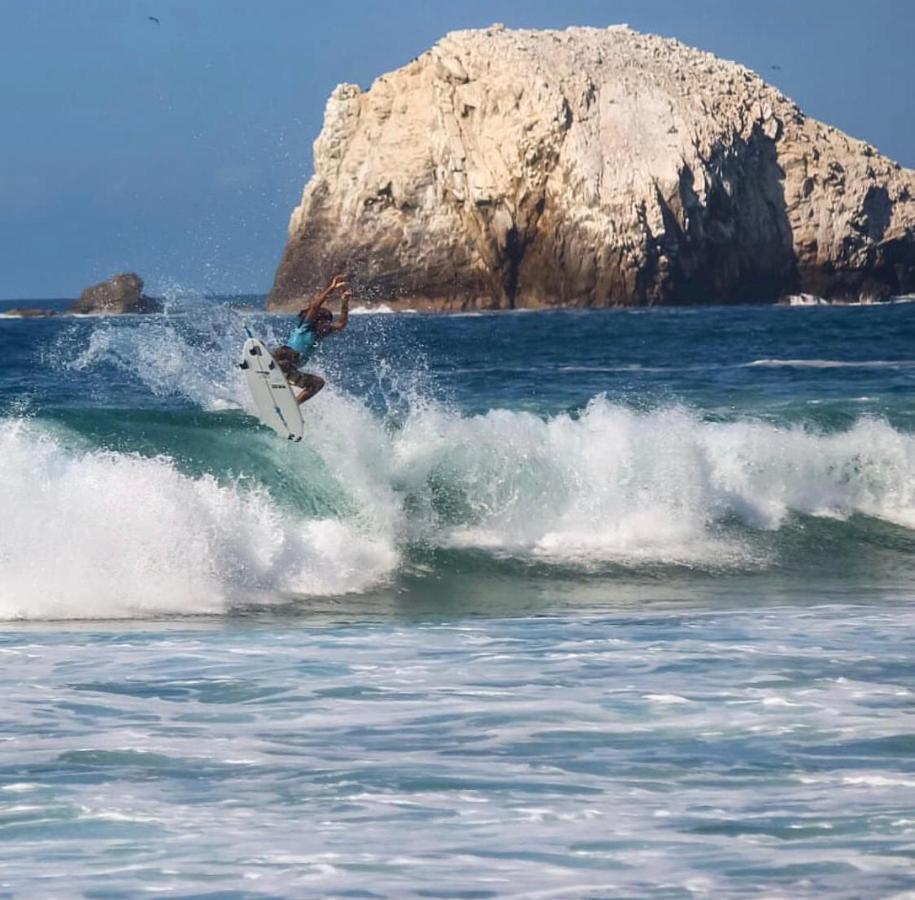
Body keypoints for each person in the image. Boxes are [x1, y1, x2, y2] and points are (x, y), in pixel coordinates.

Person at [272, 274, 351, 405]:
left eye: (328, 322)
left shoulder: (322, 334)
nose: (327, 325)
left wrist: (345, 302)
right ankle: (267, 364)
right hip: (280, 360)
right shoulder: (306, 327)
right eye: (324, 322)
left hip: (290, 369)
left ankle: (292, 405)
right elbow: (315, 307)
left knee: (318, 383)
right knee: (289, 353)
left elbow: (341, 324)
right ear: (316, 321)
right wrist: (331, 288)